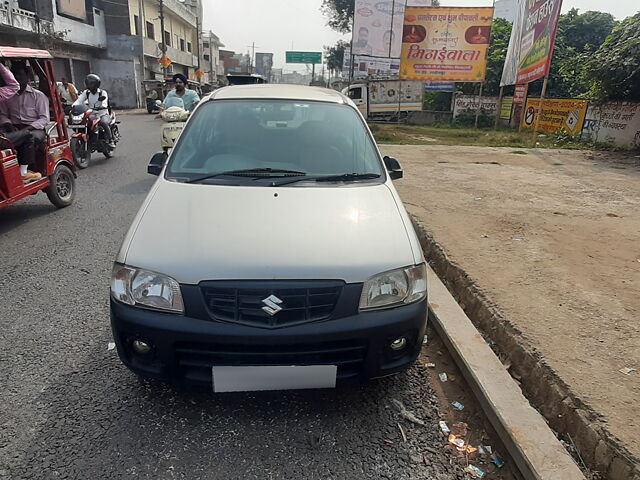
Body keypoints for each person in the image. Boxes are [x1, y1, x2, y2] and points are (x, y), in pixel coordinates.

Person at [0, 63, 49, 182]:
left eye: (21, 75)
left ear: (28, 77)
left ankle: (25, 170)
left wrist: (26, 129)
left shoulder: (39, 96)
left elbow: (44, 119)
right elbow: (4, 115)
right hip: (13, 127)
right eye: (15, 75)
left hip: (34, 128)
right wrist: (9, 125)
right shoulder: (7, 95)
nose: (18, 78)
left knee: (29, 136)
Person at [73, 74, 114, 148]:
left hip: (102, 113)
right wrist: (73, 106)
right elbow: (79, 100)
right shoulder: (86, 92)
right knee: (83, 122)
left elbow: (104, 102)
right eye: (88, 83)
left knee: (103, 122)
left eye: (91, 83)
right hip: (92, 113)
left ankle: (111, 141)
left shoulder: (102, 92)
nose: (90, 85)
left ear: (96, 83)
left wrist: (102, 106)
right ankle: (90, 138)